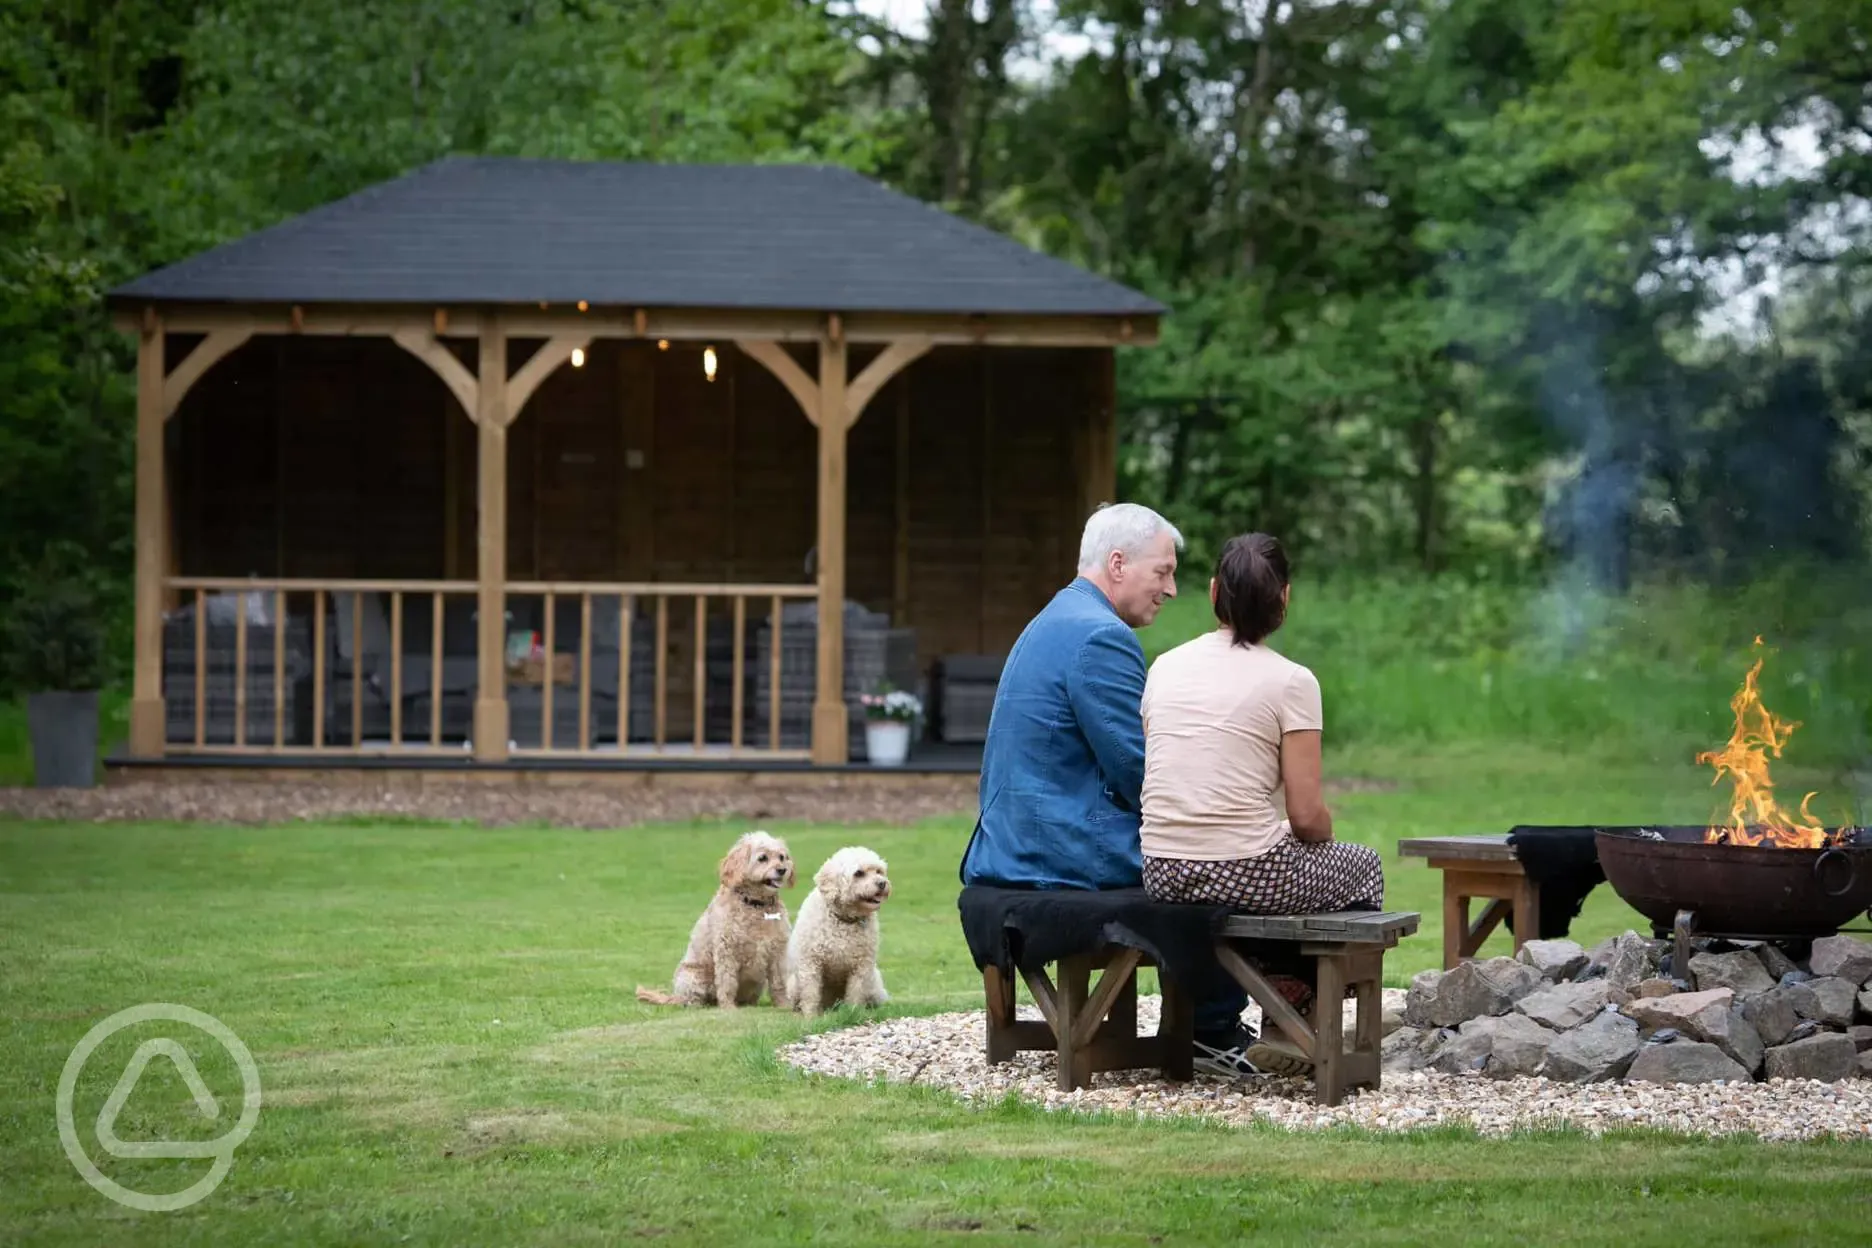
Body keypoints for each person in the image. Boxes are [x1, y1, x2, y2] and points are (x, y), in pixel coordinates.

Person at [959, 502, 1262, 1079]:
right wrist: (1215, 813)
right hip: (1064, 852)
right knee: (1222, 861)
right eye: (1163, 571)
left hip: (1018, 844)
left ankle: (1223, 1021)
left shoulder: (1055, 618)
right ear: (1118, 563)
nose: (1172, 588)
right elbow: (1140, 769)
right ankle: (1214, 1029)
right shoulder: (1100, 636)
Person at [1139, 531, 1384, 921]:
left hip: (1161, 869)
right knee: (1364, 865)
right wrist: (1324, 834)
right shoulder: (1292, 681)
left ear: (1214, 591)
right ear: (1284, 598)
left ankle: (1257, 978)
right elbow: (1306, 817)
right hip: (1244, 867)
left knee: (1278, 846)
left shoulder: (1163, 666)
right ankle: (1296, 983)